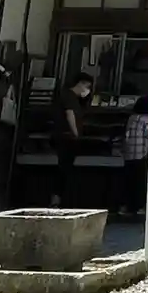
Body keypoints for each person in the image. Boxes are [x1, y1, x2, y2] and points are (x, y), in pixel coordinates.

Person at [51, 72, 93, 207]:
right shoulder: (68, 96)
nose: (87, 90)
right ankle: (56, 199)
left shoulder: (74, 98)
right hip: (66, 137)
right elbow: (70, 115)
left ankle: (58, 198)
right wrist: (76, 134)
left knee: (65, 167)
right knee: (64, 168)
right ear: (80, 83)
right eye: (87, 86)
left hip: (66, 137)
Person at [117, 96, 148, 217]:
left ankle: (125, 206)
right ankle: (140, 207)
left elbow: (126, 135)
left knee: (128, 181)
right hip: (142, 154)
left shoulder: (131, 118)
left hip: (129, 154)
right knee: (141, 182)